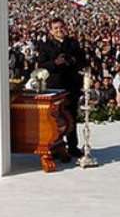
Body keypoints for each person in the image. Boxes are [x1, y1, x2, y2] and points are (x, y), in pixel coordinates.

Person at [36, 17, 88, 158]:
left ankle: (72, 146)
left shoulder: (73, 43)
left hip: (71, 85)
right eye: (56, 28)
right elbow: (41, 65)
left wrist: (72, 60)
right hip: (54, 86)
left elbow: (83, 60)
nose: (59, 30)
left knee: (71, 117)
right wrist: (55, 63)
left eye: (61, 27)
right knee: (55, 119)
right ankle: (56, 146)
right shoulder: (45, 46)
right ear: (51, 31)